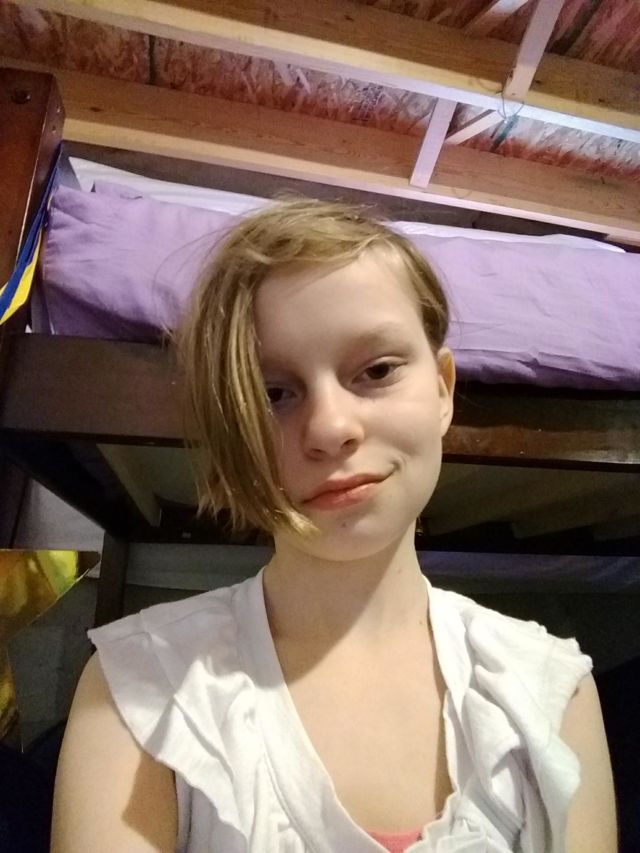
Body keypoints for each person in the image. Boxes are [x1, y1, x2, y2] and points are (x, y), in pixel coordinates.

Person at [51, 198, 617, 853]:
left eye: (376, 371)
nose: (329, 427)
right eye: (273, 393)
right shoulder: (139, 686)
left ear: (442, 390)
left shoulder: (553, 691)